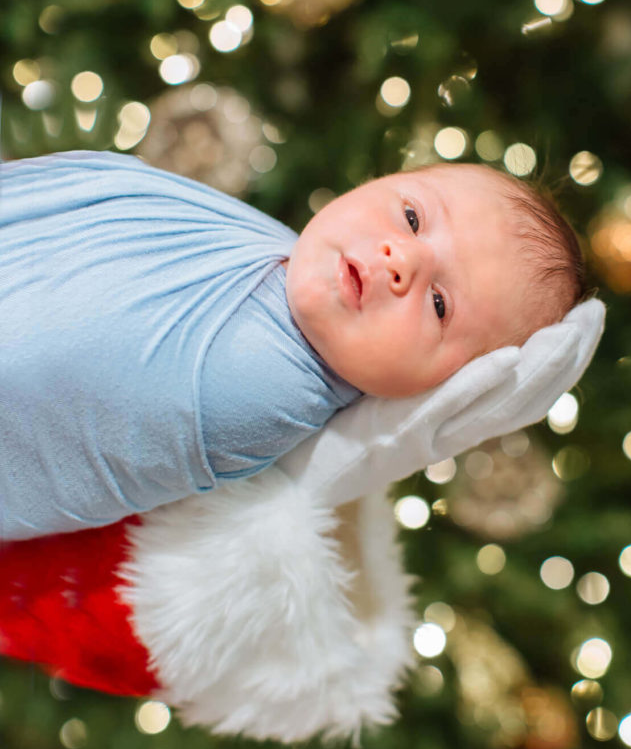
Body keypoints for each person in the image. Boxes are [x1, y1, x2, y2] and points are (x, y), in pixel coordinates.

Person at [0, 150, 590, 542]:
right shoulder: (266, 250)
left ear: (443, 388)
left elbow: (41, 362)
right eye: (411, 216)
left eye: (440, 304)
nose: (399, 259)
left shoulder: (258, 391)